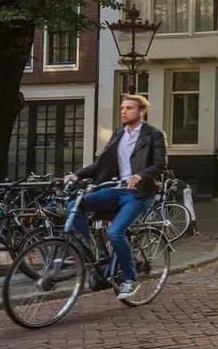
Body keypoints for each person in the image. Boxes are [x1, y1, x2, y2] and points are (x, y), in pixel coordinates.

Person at [62, 94, 167, 301]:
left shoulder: (153, 134)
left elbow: (160, 164)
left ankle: (129, 278)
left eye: (129, 108)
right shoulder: (119, 134)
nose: (124, 111)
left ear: (141, 111)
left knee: (116, 232)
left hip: (138, 194)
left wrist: (140, 175)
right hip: (115, 189)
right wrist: (77, 174)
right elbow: (100, 164)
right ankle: (94, 253)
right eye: (122, 108)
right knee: (75, 206)